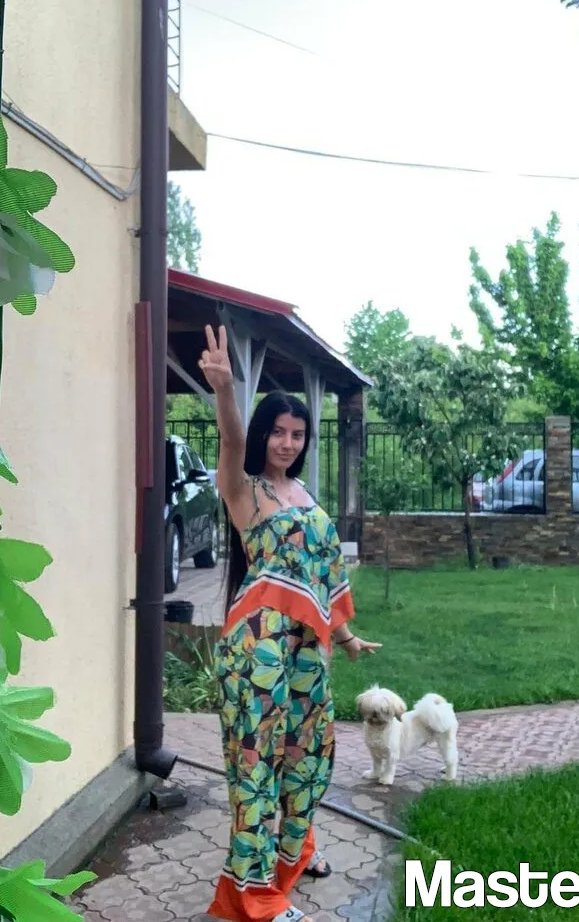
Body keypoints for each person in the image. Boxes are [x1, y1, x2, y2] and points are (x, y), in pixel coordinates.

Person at [198, 324, 381, 922]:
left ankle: (293, 855)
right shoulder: (245, 491)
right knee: (256, 764)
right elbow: (230, 440)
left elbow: (324, 576)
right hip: (257, 648)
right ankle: (252, 897)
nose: (287, 442)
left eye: (297, 434)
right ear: (263, 434)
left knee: (307, 756)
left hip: (307, 653)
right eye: (277, 431)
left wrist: (346, 637)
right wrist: (225, 391)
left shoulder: (304, 494)